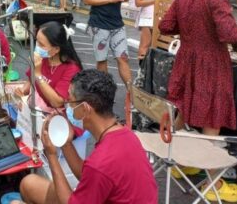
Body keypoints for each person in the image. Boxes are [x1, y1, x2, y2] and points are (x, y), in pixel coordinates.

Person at [159, 0, 237, 202]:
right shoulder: (216, 1)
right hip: (210, 64)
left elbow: (166, 26)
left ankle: (179, 159)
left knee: (184, 111)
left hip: (187, 59)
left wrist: (192, 29)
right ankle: (213, 180)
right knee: (212, 119)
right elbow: (229, 34)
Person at [14, 70, 158, 204]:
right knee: (29, 184)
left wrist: (51, 156)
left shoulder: (101, 162)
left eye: (69, 100)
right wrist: (66, 143)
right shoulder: (125, 135)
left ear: (85, 108)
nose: (67, 106)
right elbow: (88, 175)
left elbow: (95, 172)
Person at [82, 0, 132, 85]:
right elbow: (86, 0)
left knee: (123, 58)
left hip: (117, 24)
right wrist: (111, 0)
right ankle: (104, 92)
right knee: (102, 59)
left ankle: (132, 95)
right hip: (99, 25)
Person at [19, 22, 82, 109]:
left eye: (41, 44)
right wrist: (23, 91)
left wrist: (38, 75)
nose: (37, 46)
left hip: (56, 117)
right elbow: (30, 80)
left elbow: (57, 102)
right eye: (36, 41)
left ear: (56, 49)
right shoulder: (43, 57)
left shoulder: (72, 69)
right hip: (37, 107)